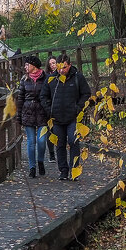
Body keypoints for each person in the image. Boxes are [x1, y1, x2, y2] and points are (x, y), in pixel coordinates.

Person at [40, 53, 91, 181]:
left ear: (70, 65)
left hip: (72, 117)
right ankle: (63, 171)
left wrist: (78, 107)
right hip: (56, 118)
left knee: (73, 141)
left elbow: (86, 93)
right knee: (60, 144)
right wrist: (49, 109)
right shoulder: (52, 79)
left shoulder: (77, 77)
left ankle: (74, 169)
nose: (62, 70)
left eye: (65, 67)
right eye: (59, 67)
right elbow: (43, 96)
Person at [14, 55, 49, 177]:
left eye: (27, 65)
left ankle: (40, 161)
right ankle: (32, 167)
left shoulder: (45, 78)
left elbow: (49, 96)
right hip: (28, 113)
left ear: (33, 65)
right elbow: (20, 98)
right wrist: (19, 115)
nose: (25, 67)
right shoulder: (24, 80)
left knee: (41, 140)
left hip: (41, 113)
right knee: (31, 142)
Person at [45, 56, 59, 162]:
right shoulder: (47, 78)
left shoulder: (61, 75)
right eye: (50, 64)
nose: (52, 65)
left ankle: (59, 152)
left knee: (58, 132)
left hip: (59, 107)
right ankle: (51, 154)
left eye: (54, 63)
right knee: (50, 131)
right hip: (49, 108)